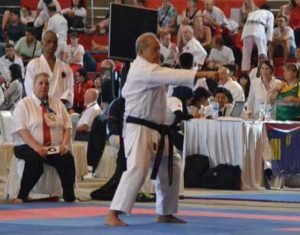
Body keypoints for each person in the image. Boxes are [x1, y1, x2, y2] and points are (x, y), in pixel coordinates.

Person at [105, 32, 217, 226]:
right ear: (141, 52)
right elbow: (172, 75)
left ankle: (165, 211)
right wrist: (203, 74)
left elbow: (159, 103)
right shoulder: (141, 69)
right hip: (138, 128)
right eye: (154, 49)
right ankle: (113, 213)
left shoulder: (153, 71)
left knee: (172, 163)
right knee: (138, 169)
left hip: (157, 129)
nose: (158, 52)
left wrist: (173, 118)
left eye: (159, 48)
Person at [11, 72, 76, 203]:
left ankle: (69, 197)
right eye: (40, 83)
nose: (44, 86)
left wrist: (64, 144)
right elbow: (21, 130)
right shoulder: (24, 104)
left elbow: (68, 127)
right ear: (34, 85)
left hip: (51, 147)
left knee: (67, 158)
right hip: (26, 146)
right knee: (35, 160)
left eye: (47, 84)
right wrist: (37, 147)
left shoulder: (57, 104)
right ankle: (22, 196)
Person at [25, 31, 74, 108]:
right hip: (39, 108)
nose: (52, 45)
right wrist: (43, 105)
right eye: (48, 42)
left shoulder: (66, 68)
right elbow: (29, 88)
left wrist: (57, 106)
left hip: (59, 109)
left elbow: (69, 91)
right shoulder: (33, 65)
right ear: (41, 43)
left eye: (54, 42)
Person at [241, 5, 274, 72]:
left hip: (246, 31)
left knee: (246, 52)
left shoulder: (252, 13)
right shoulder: (269, 13)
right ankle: (262, 69)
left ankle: (244, 71)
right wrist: (268, 39)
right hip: (258, 29)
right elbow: (270, 27)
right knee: (262, 51)